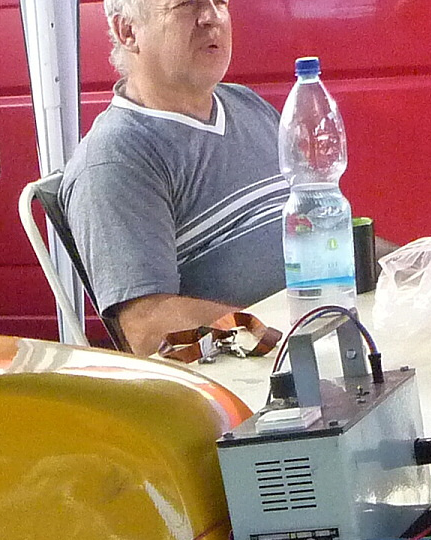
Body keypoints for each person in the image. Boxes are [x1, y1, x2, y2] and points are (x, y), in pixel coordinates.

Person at [60, 0, 287, 357]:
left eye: (220, 1)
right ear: (128, 31)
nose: (211, 17)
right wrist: (279, 333)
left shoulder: (247, 105)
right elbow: (148, 327)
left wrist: (385, 265)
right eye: (186, 4)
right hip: (257, 372)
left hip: (318, 335)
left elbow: (320, 225)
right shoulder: (116, 158)